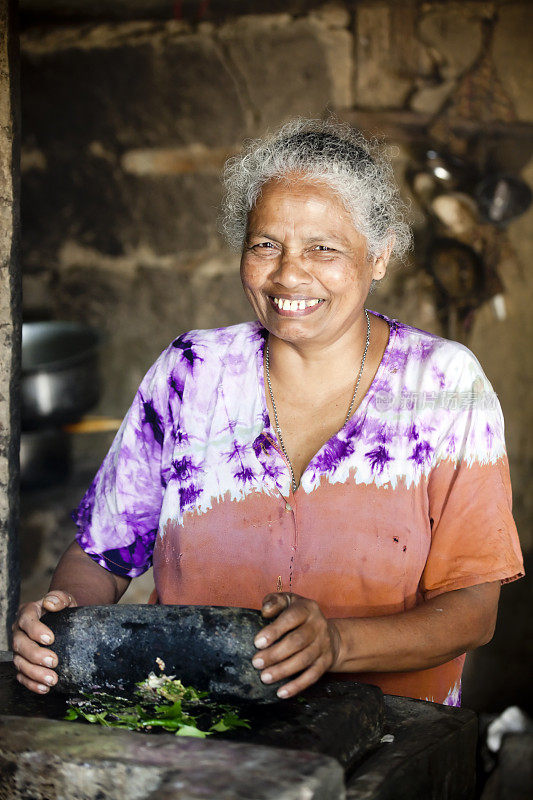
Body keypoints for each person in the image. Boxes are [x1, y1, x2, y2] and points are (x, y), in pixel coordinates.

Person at [13, 119, 524, 705]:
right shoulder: (192, 372)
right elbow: (101, 552)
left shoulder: (443, 384)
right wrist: (63, 623)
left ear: (379, 255)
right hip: (201, 730)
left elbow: (473, 611)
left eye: (323, 248)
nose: (287, 274)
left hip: (391, 744)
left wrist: (336, 643)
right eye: (265, 245)